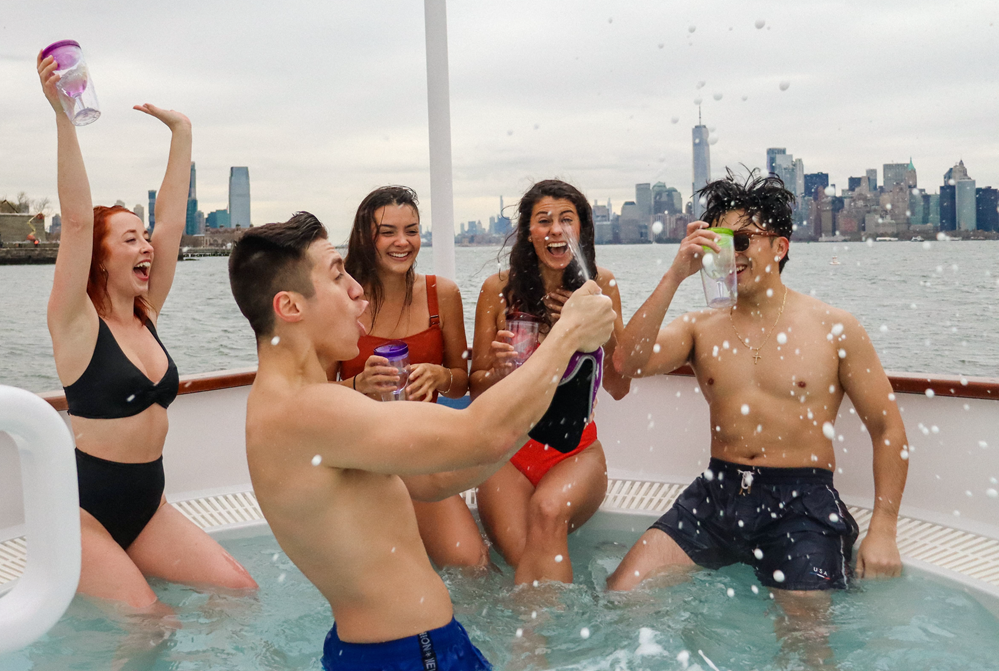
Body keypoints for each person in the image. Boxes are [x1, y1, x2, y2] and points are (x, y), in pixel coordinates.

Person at [227, 213, 614, 670]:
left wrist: (540, 414)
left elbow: (436, 479)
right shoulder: (306, 410)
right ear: (291, 306)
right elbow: (481, 434)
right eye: (337, 275)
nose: (357, 290)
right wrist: (567, 334)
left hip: (394, 648)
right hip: (408, 655)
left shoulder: (288, 404)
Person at [606, 172, 908, 665]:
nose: (731, 252)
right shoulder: (701, 326)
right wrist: (676, 274)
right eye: (720, 240)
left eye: (742, 240)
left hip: (802, 500)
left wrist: (884, 529)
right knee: (621, 595)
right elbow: (626, 363)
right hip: (717, 492)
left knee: (807, 641)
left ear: (780, 246)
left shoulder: (833, 327)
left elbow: (887, 428)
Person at [37, 53, 256, 608]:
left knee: (239, 594)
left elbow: (173, 223)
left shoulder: (146, 312)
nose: (146, 246)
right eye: (130, 239)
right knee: (152, 628)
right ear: (100, 257)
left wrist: (182, 133)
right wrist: (63, 115)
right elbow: (78, 220)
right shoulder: (74, 323)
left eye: (144, 237)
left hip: (148, 506)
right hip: (84, 514)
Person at [469, 179, 631, 585]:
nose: (556, 230)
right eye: (544, 220)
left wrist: (587, 327)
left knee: (548, 511)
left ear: (581, 230)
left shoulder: (601, 286)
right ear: (529, 232)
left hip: (575, 451)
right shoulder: (497, 290)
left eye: (566, 220)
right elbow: (476, 390)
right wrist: (499, 372)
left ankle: (540, 627)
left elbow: (619, 385)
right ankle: (567, 621)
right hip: (507, 449)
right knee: (525, 561)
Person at [331, 186, 485, 568]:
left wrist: (440, 376)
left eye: (411, 231)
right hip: (360, 459)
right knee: (386, 573)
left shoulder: (442, 294)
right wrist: (358, 386)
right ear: (365, 238)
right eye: (388, 232)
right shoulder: (341, 302)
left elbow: (461, 383)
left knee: (472, 563)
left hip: (421, 455)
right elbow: (313, 396)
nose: (402, 242)